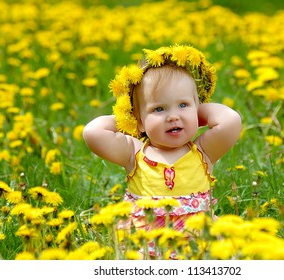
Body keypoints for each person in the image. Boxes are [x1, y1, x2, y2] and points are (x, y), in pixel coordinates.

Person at [83, 45, 242, 257]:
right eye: (159, 109)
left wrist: (196, 113)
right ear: (140, 120)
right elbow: (92, 132)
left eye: (183, 105)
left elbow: (231, 120)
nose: (173, 116)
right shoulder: (134, 153)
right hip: (145, 245)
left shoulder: (203, 151)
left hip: (194, 243)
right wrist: (129, 121)